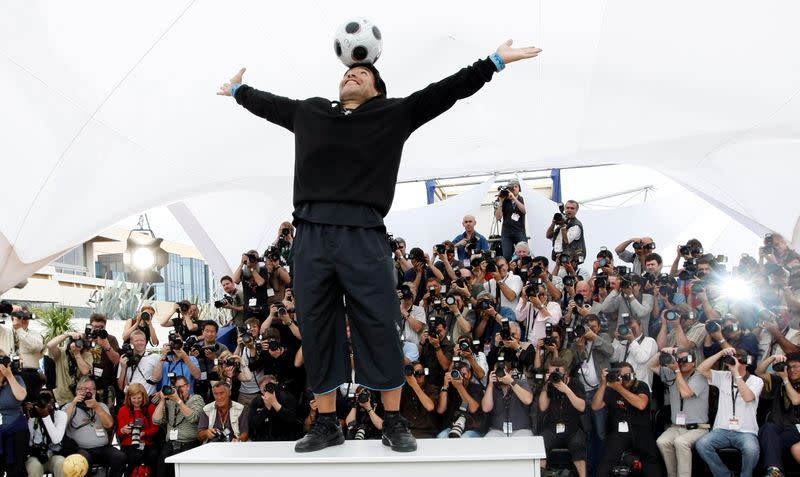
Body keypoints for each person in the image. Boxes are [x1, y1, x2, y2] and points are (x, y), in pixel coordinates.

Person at [219, 39, 541, 453]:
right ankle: (328, 423)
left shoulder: (392, 114)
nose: (351, 74)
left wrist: (493, 62)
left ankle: (393, 420)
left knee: (380, 324)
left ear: (377, 89)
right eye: (348, 72)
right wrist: (239, 91)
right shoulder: (311, 111)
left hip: (364, 231)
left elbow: (445, 91)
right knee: (317, 328)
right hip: (311, 232)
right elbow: (270, 104)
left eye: (363, 73)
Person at [695, 348, 763, 477]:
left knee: (752, 450)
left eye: (737, 359)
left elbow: (748, 397)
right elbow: (701, 369)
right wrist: (721, 353)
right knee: (702, 444)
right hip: (722, 430)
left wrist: (736, 373)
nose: (733, 362)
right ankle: (724, 475)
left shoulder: (756, 381)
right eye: (732, 359)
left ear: (745, 362)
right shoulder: (723, 376)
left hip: (746, 432)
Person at [592, 362, 663, 477]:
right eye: (623, 376)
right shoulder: (612, 388)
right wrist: (604, 384)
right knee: (606, 462)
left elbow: (641, 404)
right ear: (617, 376)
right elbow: (595, 406)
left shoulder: (641, 385)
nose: (627, 379)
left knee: (652, 462)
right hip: (619, 432)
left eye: (629, 376)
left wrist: (619, 388)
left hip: (641, 430)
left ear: (634, 375)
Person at [649, 348, 710, 477]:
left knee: (680, 442)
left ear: (694, 362)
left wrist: (677, 370)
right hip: (676, 427)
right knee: (662, 441)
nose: (682, 362)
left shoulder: (700, 377)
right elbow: (651, 365)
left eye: (686, 359)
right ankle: (672, 475)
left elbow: (686, 393)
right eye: (679, 359)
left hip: (697, 428)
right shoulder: (671, 374)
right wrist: (663, 352)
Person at [62, 376, 126, 477]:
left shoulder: (101, 406)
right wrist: (74, 403)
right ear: (77, 391)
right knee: (82, 462)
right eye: (84, 389)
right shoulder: (69, 406)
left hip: (102, 448)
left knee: (120, 457)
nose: (88, 391)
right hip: (80, 449)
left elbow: (109, 425)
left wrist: (96, 407)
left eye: (92, 389)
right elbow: (62, 424)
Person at [539, 358, 587, 477]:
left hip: (572, 429)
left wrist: (567, 390)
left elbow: (582, 407)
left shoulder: (575, 383)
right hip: (552, 428)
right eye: (552, 373)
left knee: (578, 449)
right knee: (540, 448)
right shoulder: (549, 385)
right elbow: (543, 407)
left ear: (566, 373)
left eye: (558, 373)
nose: (555, 376)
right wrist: (546, 385)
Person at [153, 375, 204, 477]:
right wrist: (163, 401)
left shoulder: (196, 398)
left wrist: (178, 400)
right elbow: (156, 420)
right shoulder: (170, 401)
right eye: (176, 387)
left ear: (188, 387)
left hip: (189, 443)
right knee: (162, 469)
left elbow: (194, 418)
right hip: (171, 443)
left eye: (181, 386)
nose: (179, 390)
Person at [116, 384, 159, 477]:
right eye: (134, 398)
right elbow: (119, 433)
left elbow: (156, 429)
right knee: (134, 456)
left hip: (147, 443)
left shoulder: (150, 408)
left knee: (154, 455)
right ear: (129, 397)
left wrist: (144, 433)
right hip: (129, 444)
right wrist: (123, 430)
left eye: (139, 398)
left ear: (144, 397)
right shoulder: (123, 410)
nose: (136, 401)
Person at [25, 389, 67, 477]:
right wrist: (29, 417)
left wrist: (46, 416)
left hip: (54, 455)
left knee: (62, 464)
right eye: (43, 398)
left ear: (54, 400)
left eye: (48, 398)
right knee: (34, 467)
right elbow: (29, 442)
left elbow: (56, 439)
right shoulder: (33, 415)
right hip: (36, 456)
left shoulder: (60, 415)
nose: (46, 401)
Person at [0, 353, 28, 477]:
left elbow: (21, 396)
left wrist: (9, 375)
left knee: (15, 470)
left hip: (16, 430)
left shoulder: (17, 379)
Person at [494, 179, 527, 261]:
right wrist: (501, 201)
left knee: (524, 254)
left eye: (516, 186)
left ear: (519, 188)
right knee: (507, 255)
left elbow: (524, 211)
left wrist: (514, 199)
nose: (514, 188)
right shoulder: (504, 201)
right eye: (512, 187)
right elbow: (498, 217)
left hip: (519, 230)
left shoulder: (523, 199)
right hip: (506, 232)